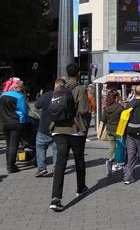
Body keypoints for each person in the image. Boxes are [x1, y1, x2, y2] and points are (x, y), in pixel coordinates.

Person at [49, 64, 91, 212]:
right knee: (79, 159)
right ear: (78, 74)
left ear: (67, 74)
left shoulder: (60, 88)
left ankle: (55, 198)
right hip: (74, 130)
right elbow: (84, 110)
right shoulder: (80, 89)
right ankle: (81, 188)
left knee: (60, 163)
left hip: (58, 129)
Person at [0, 77, 28, 174]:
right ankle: (11, 166)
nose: (20, 88)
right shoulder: (19, 97)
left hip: (4, 123)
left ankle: (8, 164)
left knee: (8, 145)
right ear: (15, 87)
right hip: (15, 122)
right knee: (14, 145)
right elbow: (24, 111)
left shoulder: (2, 96)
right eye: (19, 87)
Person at [34, 80, 61, 177]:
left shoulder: (46, 95)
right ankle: (56, 169)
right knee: (56, 149)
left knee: (40, 147)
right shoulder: (66, 96)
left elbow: (36, 106)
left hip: (44, 128)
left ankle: (42, 168)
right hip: (58, 128)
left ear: (55, 86)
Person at [102, 89, 124, 175]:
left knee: (111, 145)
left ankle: (110, 159)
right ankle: (115, 163)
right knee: (119, 146)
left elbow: (103, 119)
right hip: (118, 129)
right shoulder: (120, 108)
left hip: (109, 129)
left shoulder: (106, 107)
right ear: (116, 97)